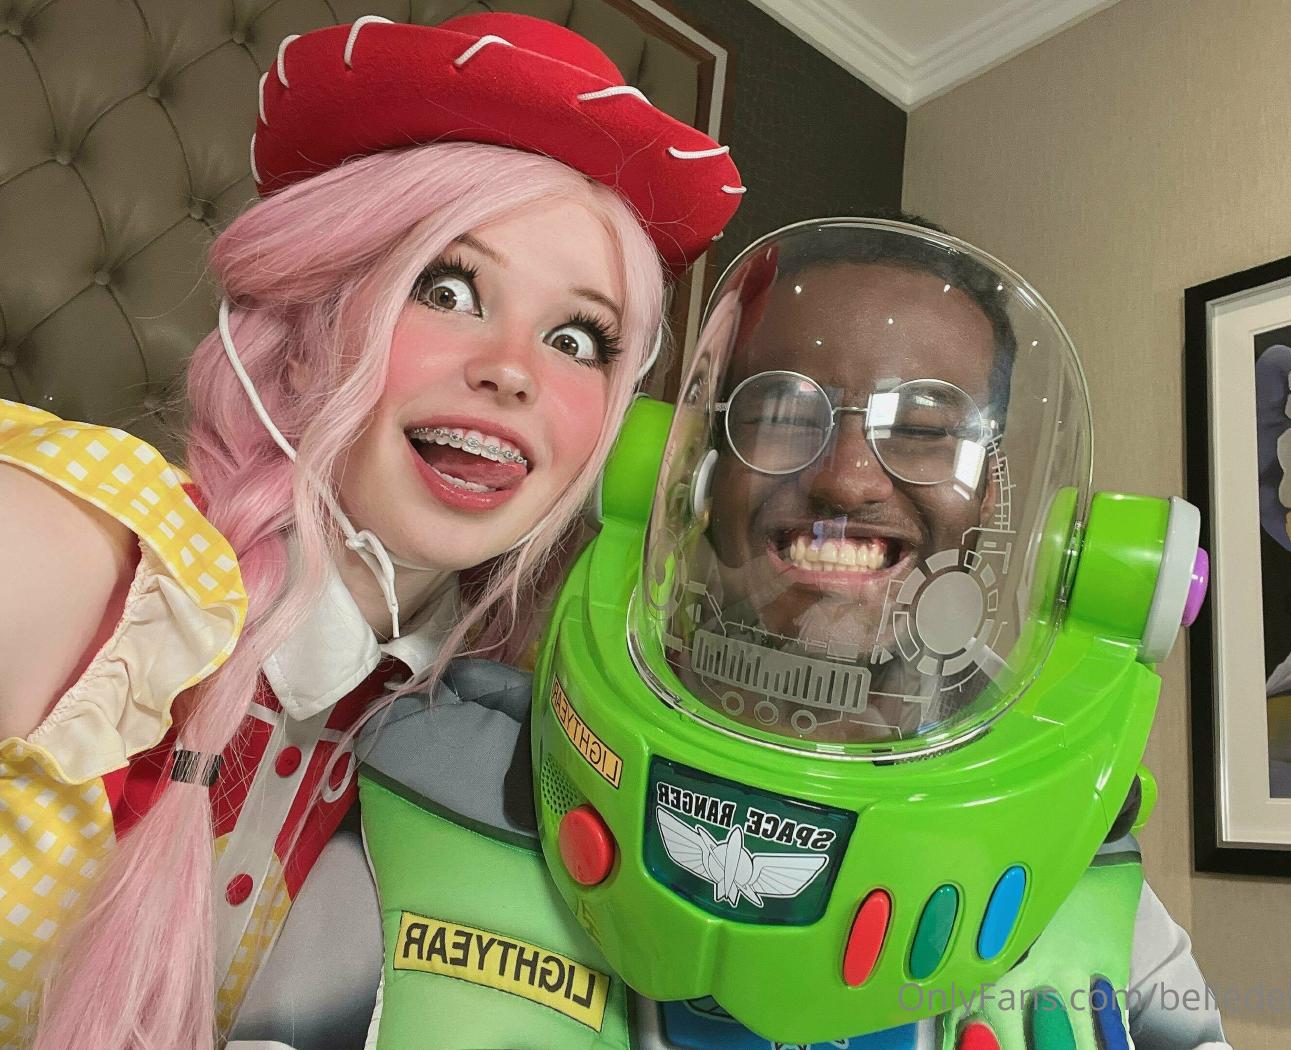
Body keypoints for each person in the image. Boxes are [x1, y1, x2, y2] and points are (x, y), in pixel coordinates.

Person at [293, 219, 1230, 1050]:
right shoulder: (437, 799)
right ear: (686, 467)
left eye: (927, 429)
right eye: (782, 413)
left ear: (991, 496)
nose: (848, 479)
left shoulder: (1094, 909)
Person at [0, 11, 741, 1049]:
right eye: (448, 287)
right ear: (306, 332)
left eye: (578, 338)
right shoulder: (67, 552)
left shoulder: (498, 750)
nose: (512, 369)